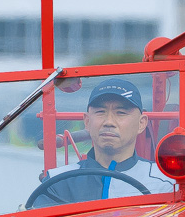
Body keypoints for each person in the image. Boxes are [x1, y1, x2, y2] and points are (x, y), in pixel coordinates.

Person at [30, 78, 174, 207]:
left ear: (141, 123)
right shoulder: (57, 181)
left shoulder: (166, 183)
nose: (109, 122)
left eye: (121, 113)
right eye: (100, 112)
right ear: (87, 121)